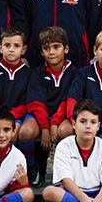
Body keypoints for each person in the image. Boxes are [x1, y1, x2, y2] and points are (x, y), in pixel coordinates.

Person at [0, 27, 47, 178]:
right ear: (0, 48)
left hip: (20, 115)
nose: (11, 50)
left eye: (16, 46)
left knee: (20, 132)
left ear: (23, 50)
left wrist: (11, 119)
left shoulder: (30, 73)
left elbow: (27, 102)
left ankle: (28, 166)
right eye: (7, 45)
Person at [35, 26, 78, 185]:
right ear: (41, 52)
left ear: (66, 49)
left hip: (64, 114)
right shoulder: (38, 73)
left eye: (56, 47)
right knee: (28, 131)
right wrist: (46, 127)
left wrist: (54, 123)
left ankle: (67, 175)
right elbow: (36, 103)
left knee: (65, 130)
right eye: (46, 48)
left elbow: (69, 100)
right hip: (43, 115)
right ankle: (36, 169)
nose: (51, 52)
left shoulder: (75, 72)